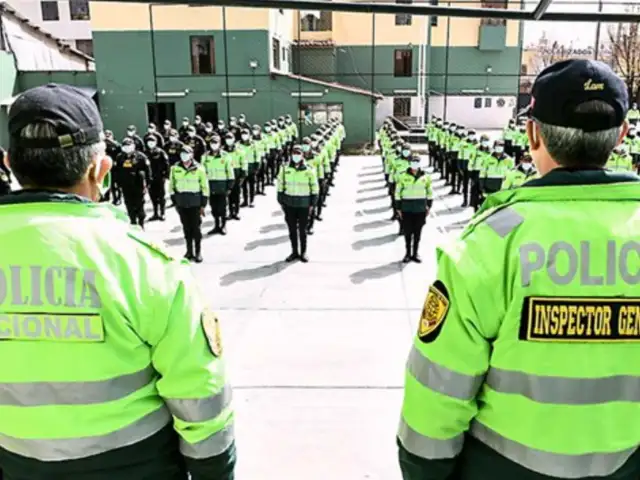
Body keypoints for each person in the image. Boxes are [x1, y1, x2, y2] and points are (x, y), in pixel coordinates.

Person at [397, 59, 640, 480]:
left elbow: (439, 386)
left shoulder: (491, 242)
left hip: (504, 466)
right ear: (621, 136)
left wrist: (423, 470)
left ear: (532, 133)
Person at [0, 83, 236, 480]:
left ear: (9, 163)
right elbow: (199, 391)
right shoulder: (146, 265)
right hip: (136, 466)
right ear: (99, 168)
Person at [277, 144, 319, 263]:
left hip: (304, 204)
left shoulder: (309, 169)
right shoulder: (285, 169)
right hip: (290, 204)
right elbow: (280, 184)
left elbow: (314, 187)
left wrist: (313, 202)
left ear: (302, 155)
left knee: (302, 230)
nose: (296, 156)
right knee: (292, 230)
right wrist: (281, 199)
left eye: (298, 153)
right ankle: (294, 251)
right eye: (294, 153)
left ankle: (303, 252)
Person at [169, 145, 209, 262]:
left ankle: (198, 252)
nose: (184, 156)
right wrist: (174, 200)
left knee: (196, 228)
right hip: (181, 201)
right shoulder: (175, 168)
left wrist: (203, 204)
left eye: (186, 153)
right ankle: (189, 251)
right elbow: (172, 185)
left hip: (195, 202)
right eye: (182, 153)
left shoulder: (199, 169)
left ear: (191, 155)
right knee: (186, 228)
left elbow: (205, 187)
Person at [395, 155, 433, 263]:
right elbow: (397, 193)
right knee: (408, 232)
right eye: (413, 162)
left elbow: (430, 192)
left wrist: (429, 205)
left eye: (417, 162)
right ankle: (407, 253)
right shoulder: (402, 176)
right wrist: (398, 207)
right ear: (409, 163)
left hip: (420, 208)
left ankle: (415, 253)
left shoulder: (426, 177)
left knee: (417, 232)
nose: (414, 164)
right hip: (407, 208)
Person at [115, 137, 151, 228]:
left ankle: (141, 223)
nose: (127, 148)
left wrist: (148, 183)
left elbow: (147, 170)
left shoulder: (141, 156)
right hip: (125, 186)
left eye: (129, 146)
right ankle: (133, 222)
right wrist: (117, 183)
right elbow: (116, 171)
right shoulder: (120, 157)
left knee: (139, 205)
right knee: (129, 204)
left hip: (138, 185)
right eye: (125, 146)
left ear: (133, 146)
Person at [202, 135, 234, 235]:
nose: (214, 145)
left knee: (223, 206)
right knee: (213, 206)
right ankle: (216, 225)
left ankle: (223, 225)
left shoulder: (225, 156)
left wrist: (229, 186)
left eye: (216, 143)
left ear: (220, 144)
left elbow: (230, 172)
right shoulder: (205, 156)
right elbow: (202, 172)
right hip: (210, 184)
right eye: (212, 143)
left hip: (222, 184)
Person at [145, 134, 170, 220]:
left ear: (156, 142)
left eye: (152, 141)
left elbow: (166, 164)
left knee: (161, 196)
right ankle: (155, 213)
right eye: (149, 141)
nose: (150, 143)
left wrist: (166, 175)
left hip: (159, 177)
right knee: (152, 196)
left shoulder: (160, 152)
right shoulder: (145, 153)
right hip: (150, 178)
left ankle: (162, 213)